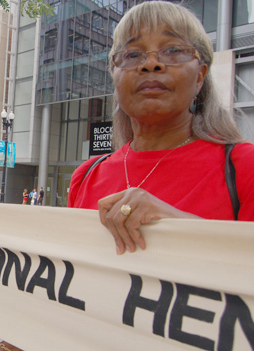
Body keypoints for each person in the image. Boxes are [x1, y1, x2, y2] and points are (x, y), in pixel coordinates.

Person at [68, 1, 254, 255]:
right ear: (115, 77)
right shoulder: (86, 176)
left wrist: (178, 225)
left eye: (173, 50)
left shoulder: (245, 167)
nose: (151, 64)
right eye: (133, 54)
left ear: (200, 76)